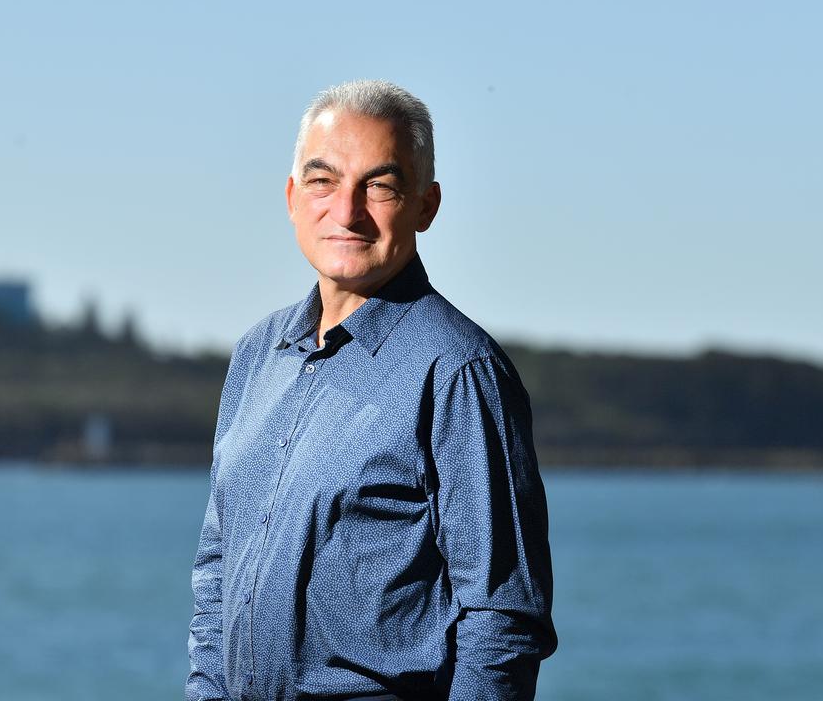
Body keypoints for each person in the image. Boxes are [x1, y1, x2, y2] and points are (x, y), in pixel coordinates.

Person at [186, 80, 557, 701]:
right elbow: (216, 571)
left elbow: (503, 617)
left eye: (379, 186)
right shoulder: (256, 356)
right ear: (291, 196)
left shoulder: (459, 369)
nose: (348, 210)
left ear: (426, 206)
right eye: (322, 181)